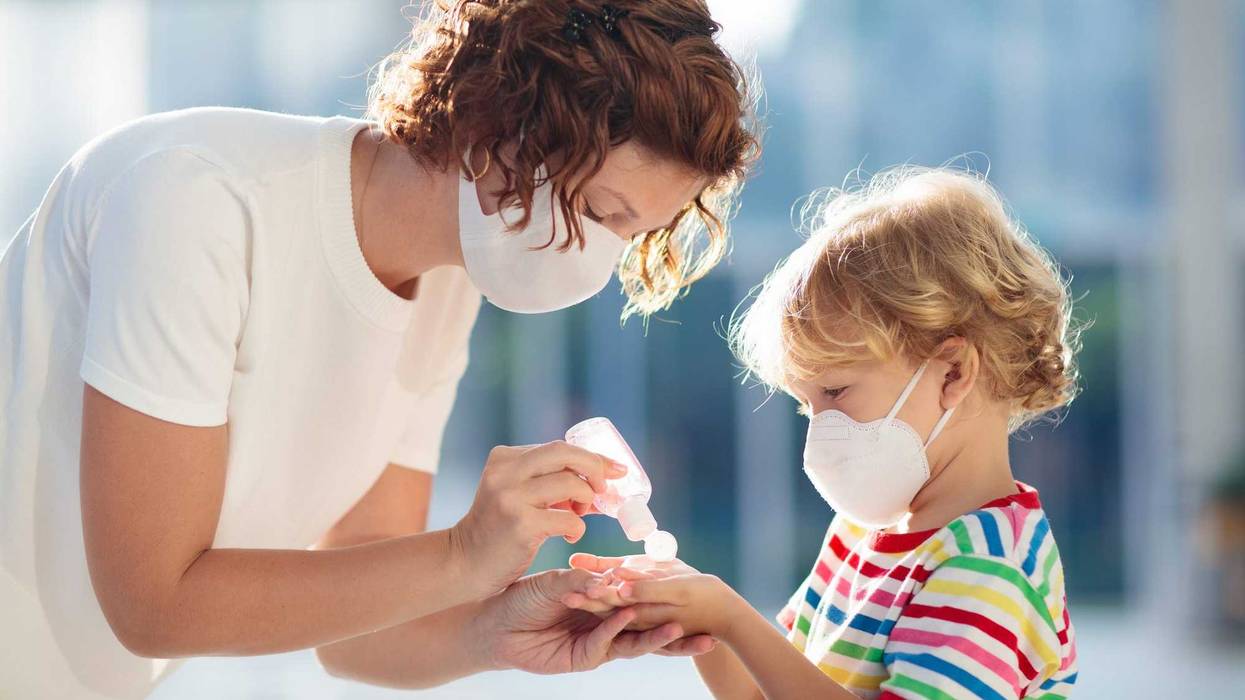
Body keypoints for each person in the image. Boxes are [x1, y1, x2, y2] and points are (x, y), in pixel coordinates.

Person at [0, 1, 757, 697]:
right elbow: (155, 606)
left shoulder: (446, 283)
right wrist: (462, 553)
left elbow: (357, 635)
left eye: (631, 235)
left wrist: (504, 629)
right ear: (502, 119)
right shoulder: (196, 199)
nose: (601, 261)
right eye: (598, 211)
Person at [568, 168, 1082, 699]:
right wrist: (695, 614)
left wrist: (731, 618)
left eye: (835, 392)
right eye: (806, 404)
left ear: (953, 373)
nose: (819, 431)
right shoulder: (861, 532)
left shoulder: (988, 566)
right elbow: (760, 694)